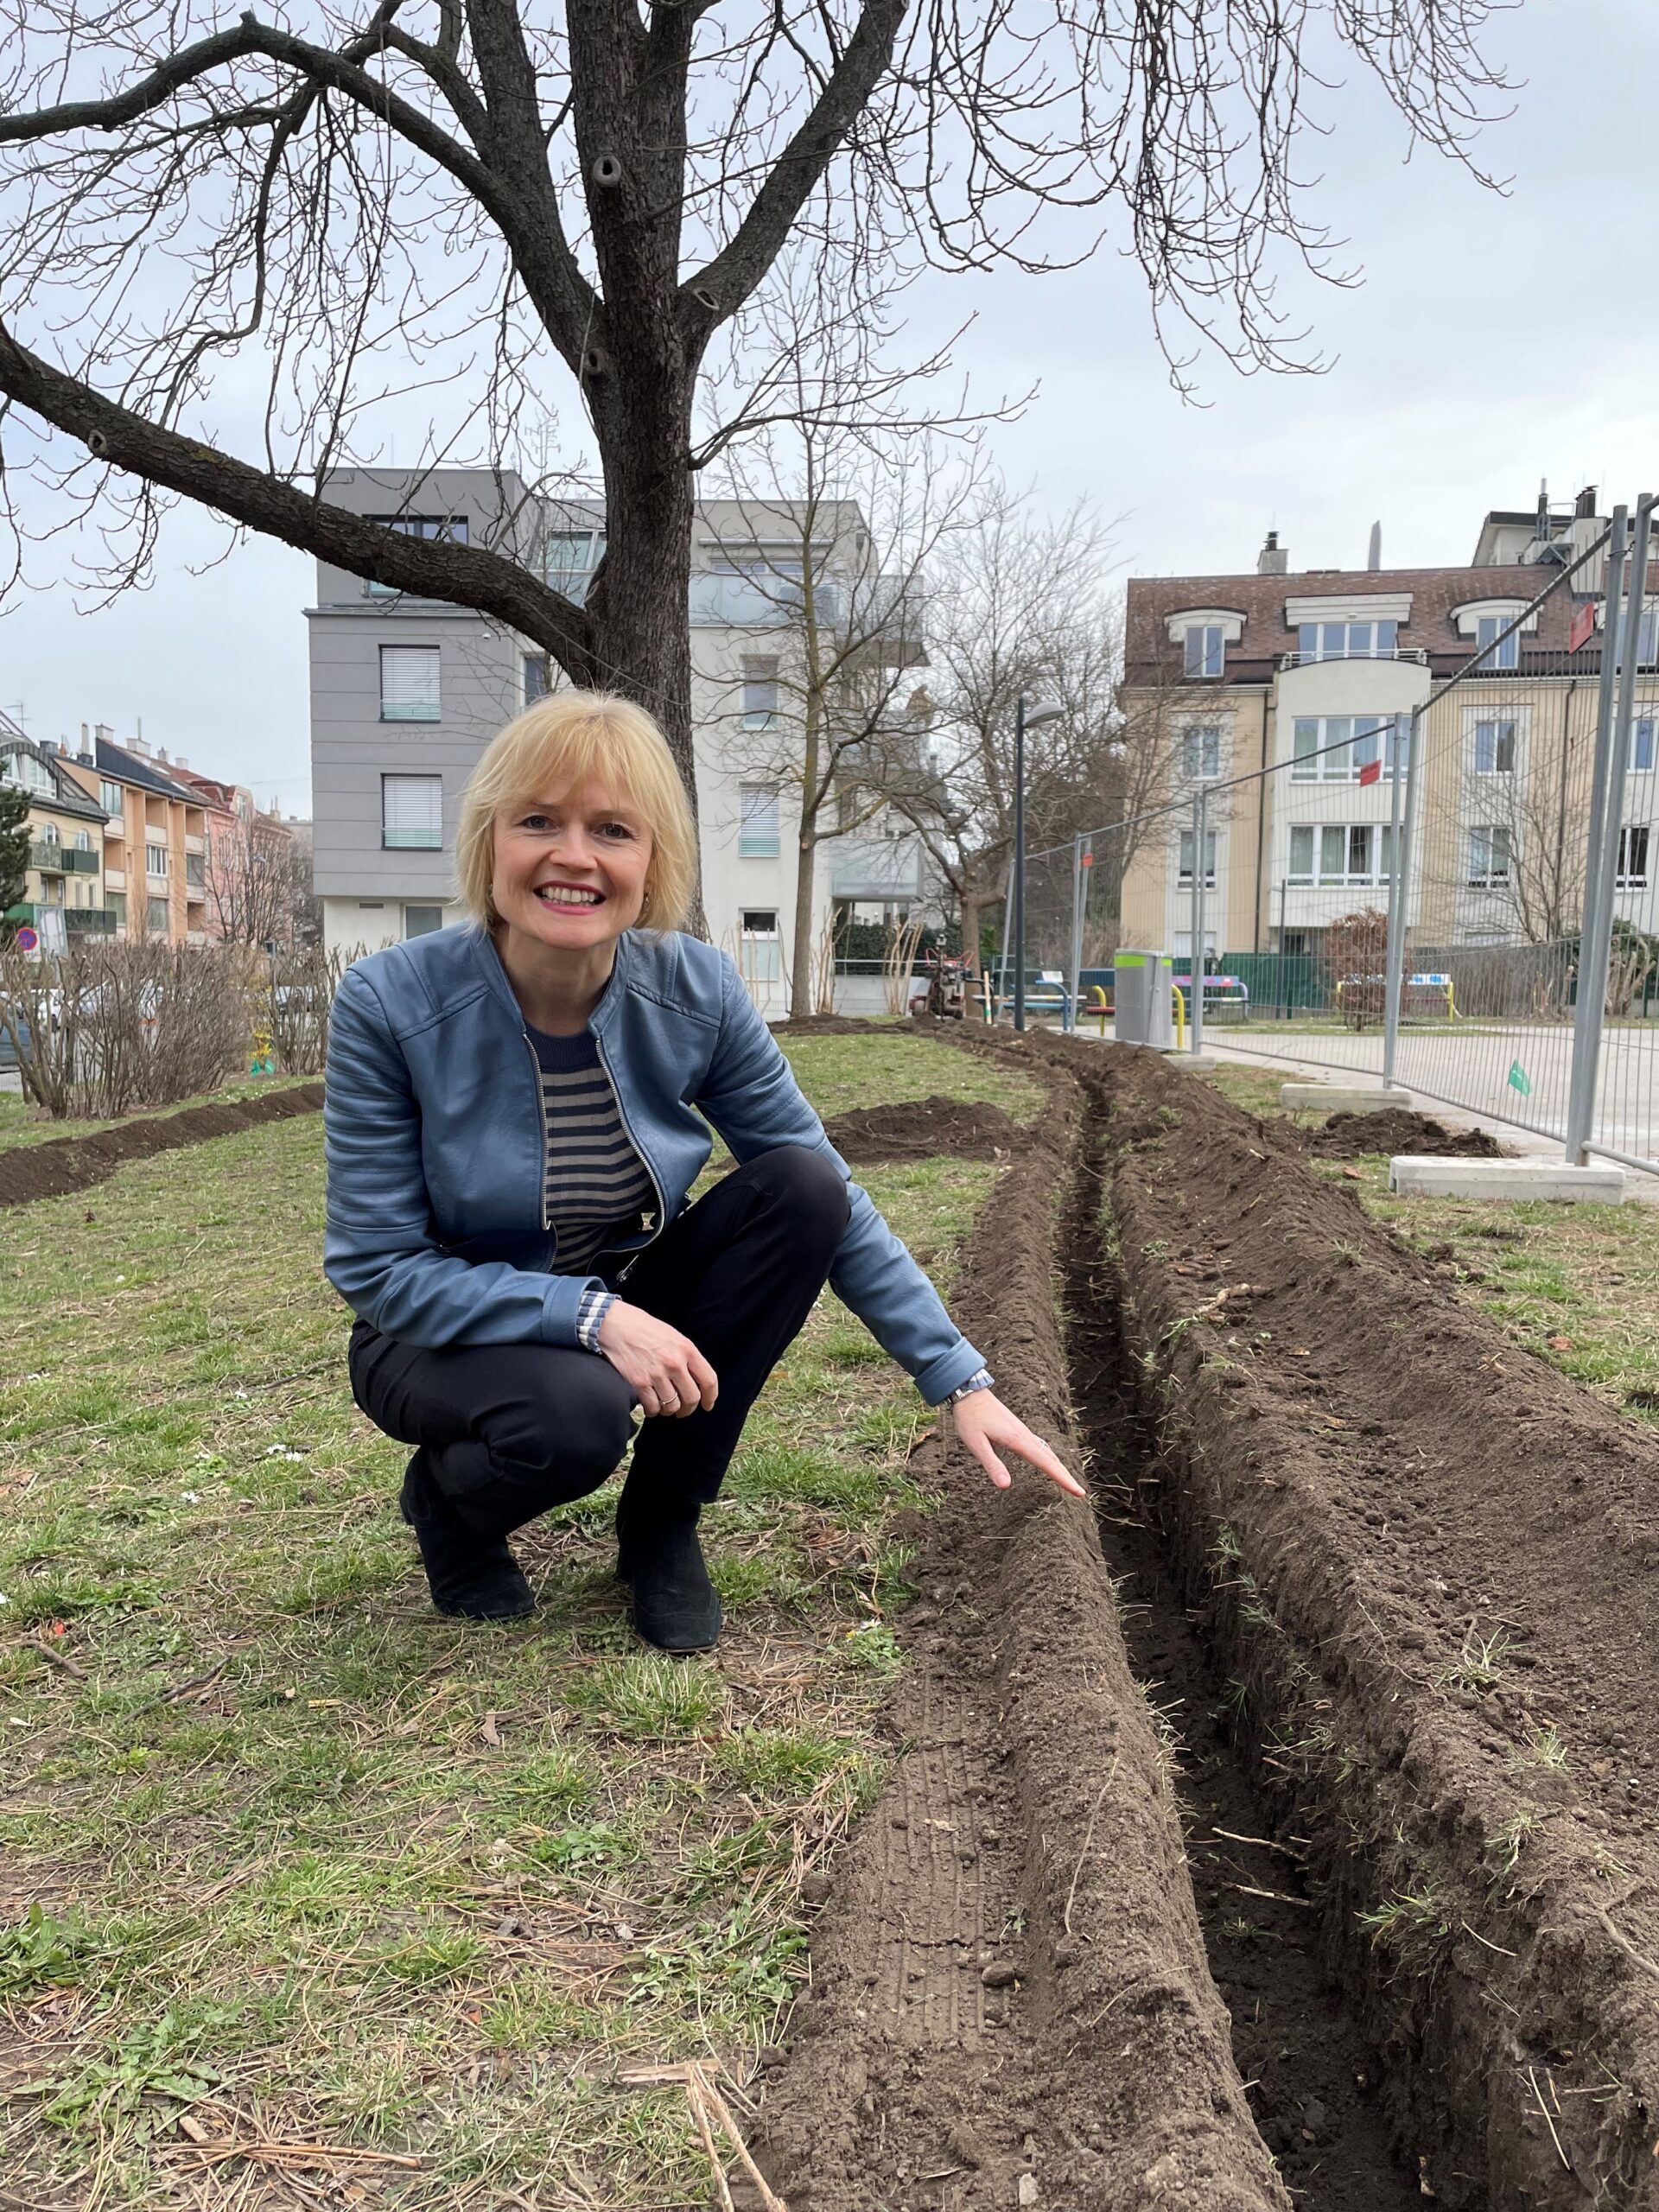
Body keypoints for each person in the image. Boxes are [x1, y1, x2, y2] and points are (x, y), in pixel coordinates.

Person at [324, 691, 1081, 1652]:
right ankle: (449, 1507)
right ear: (489, 842)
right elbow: (379, 1268)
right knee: (577, 1416)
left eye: (612, 830)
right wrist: (592, 1318)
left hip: (621, 1289)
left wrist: (957, 1376)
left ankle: (660, 1520)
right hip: (435, 1330)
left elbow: (830, 1197)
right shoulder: (389, 1002)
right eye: (538, 822)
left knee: (800, 1187)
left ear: (654, 862)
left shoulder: (696, 991)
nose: (574, 856)